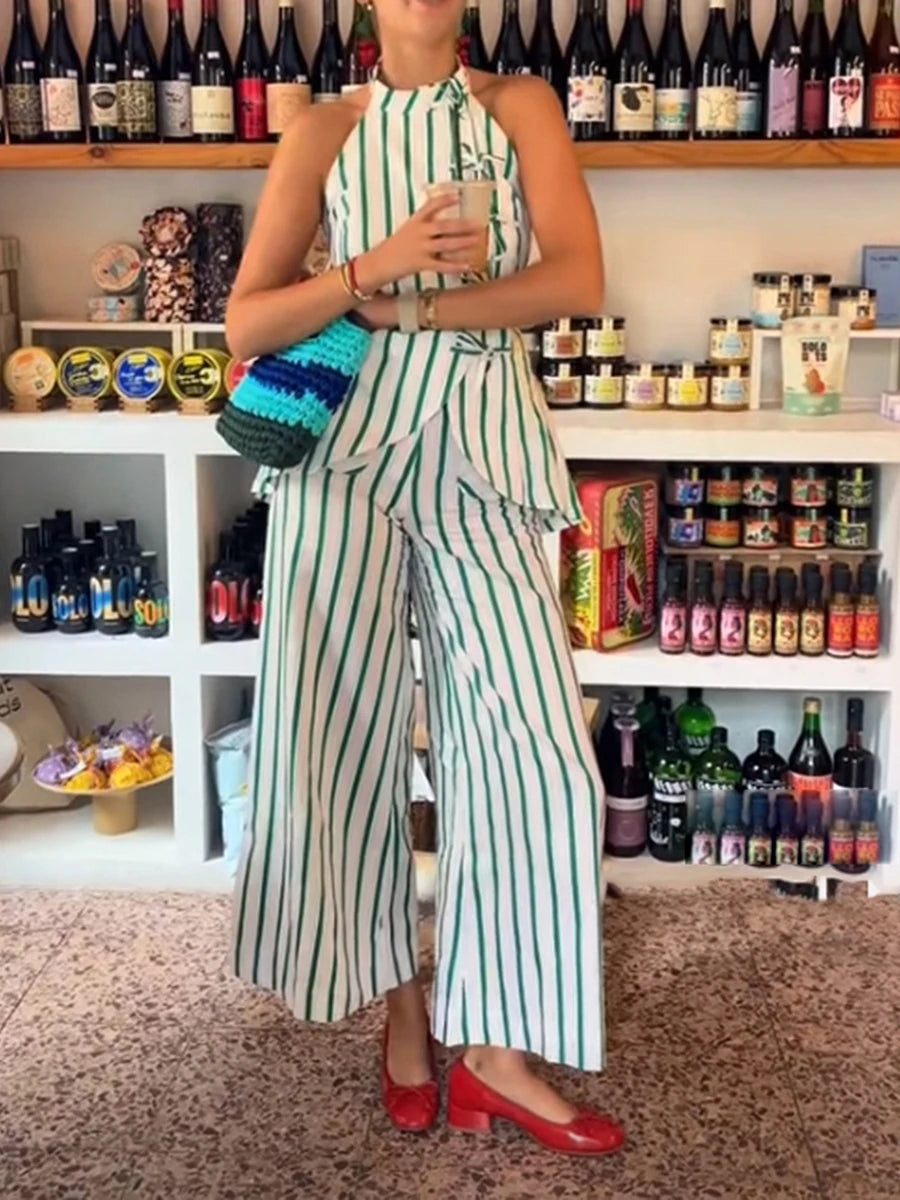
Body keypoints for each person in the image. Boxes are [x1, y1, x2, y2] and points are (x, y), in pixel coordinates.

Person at [227, 0, 623, 1158]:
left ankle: (498, 1051)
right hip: (340, 469)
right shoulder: (320, 131)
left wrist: (412, 302)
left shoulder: (522, 107)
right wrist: (366, 268)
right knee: (338, 746)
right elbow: (250, 320)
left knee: (536, 753)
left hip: (486, 458)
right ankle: (400, 1004)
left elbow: (576, 279)